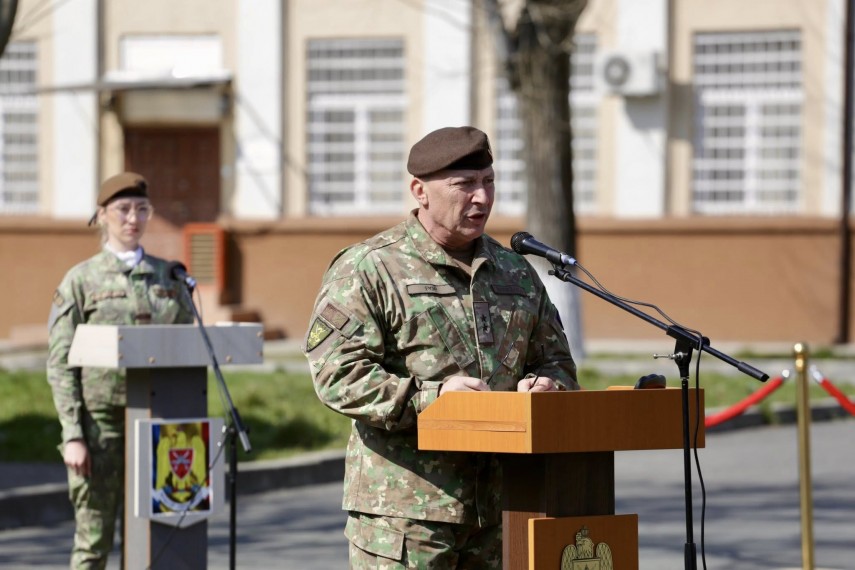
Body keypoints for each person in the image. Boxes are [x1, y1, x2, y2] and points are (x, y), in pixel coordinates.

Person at [303, 126, 580, 568]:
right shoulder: (371, 267)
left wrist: (548, 386)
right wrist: (434, 401)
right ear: (421, 191)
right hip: (406, 515)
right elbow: (337, 375)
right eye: (464, 185)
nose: (482, 198)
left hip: (501, 509)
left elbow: (557, 361)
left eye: (489, 182)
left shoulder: (514, 271)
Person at [46, 172, 194, 569]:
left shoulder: (172, 276)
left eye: (142, 209)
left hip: (162, 423)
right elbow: (61, 363)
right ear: (101, 216)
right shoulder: (81, 280)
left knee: (155, 537)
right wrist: (73, 433)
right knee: (94, 540)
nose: (133, 218)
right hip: (101, 425)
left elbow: (188, 349)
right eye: (123, 209)